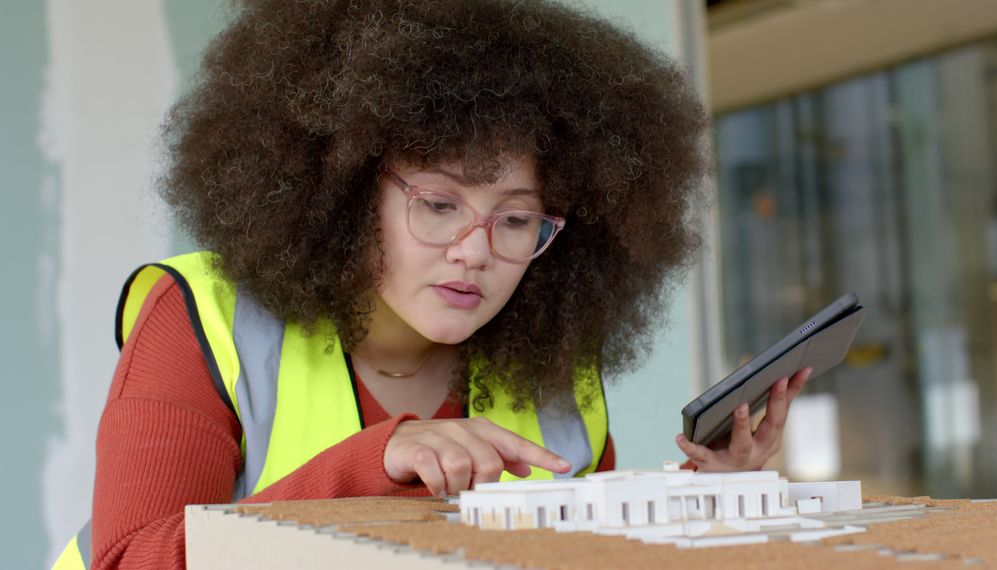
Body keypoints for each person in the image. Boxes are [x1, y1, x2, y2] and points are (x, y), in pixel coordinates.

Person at [52, 1, 811, 568]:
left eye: (516, 221)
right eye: (440, 205)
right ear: (346, 193)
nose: (475, 252)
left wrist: (708, 498)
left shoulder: (553, 369)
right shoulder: (203, 319)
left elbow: (584, 552)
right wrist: (370, 464)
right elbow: (128, 560)